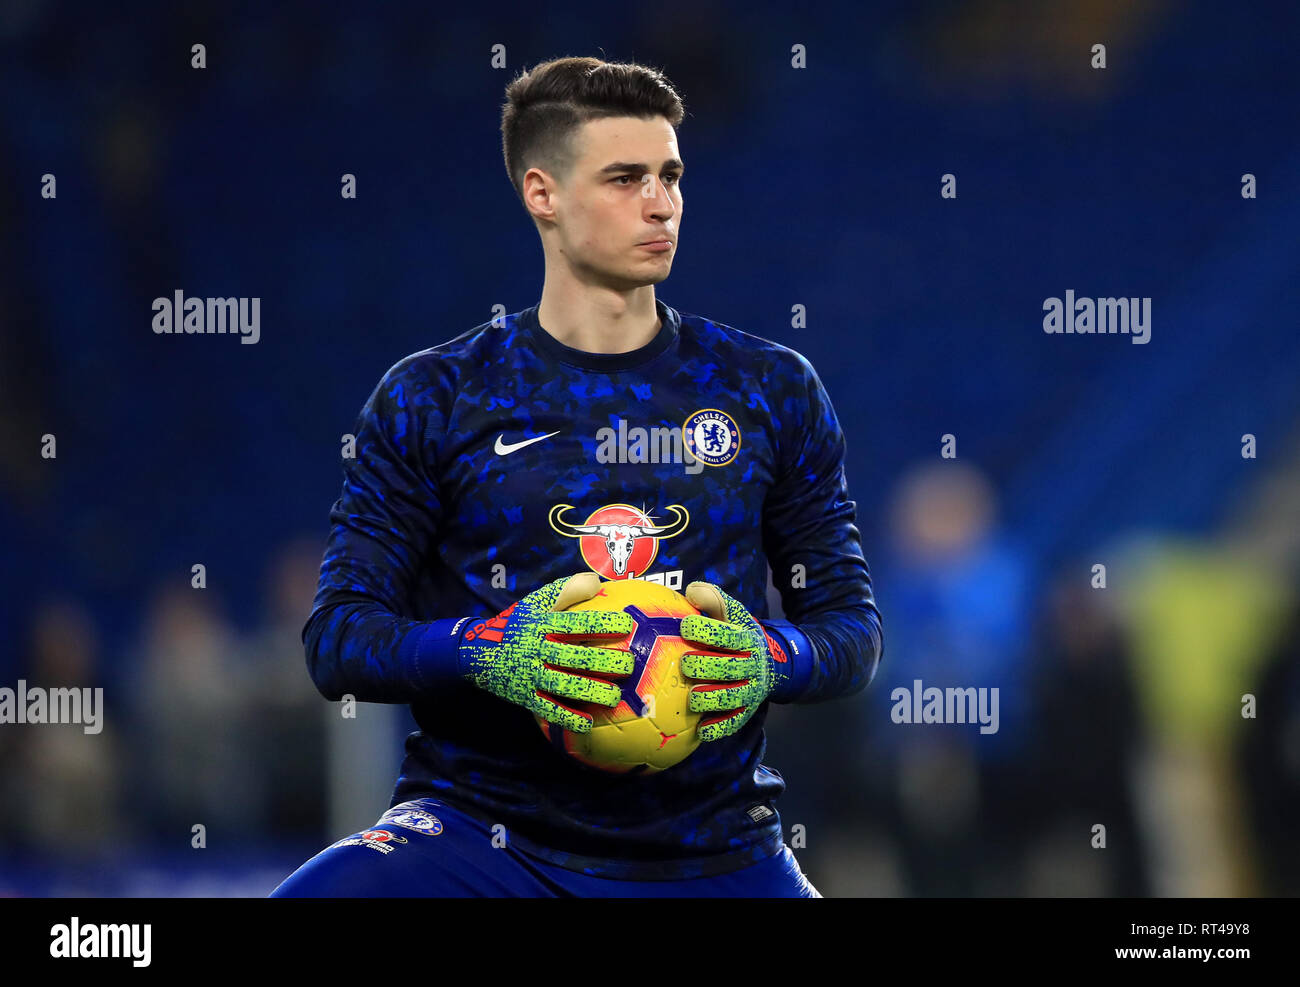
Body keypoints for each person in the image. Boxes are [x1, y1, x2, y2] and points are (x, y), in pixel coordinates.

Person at [272, 55, 882, 898]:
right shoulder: (435, 396)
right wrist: (487, 651)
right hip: (483, 840)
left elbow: (852, 631)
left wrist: (771, 657)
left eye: (670, 175)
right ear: (542, 194)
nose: (660, 201)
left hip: (714, 852)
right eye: (626, 177)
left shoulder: (770, 387)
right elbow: (338, 637)